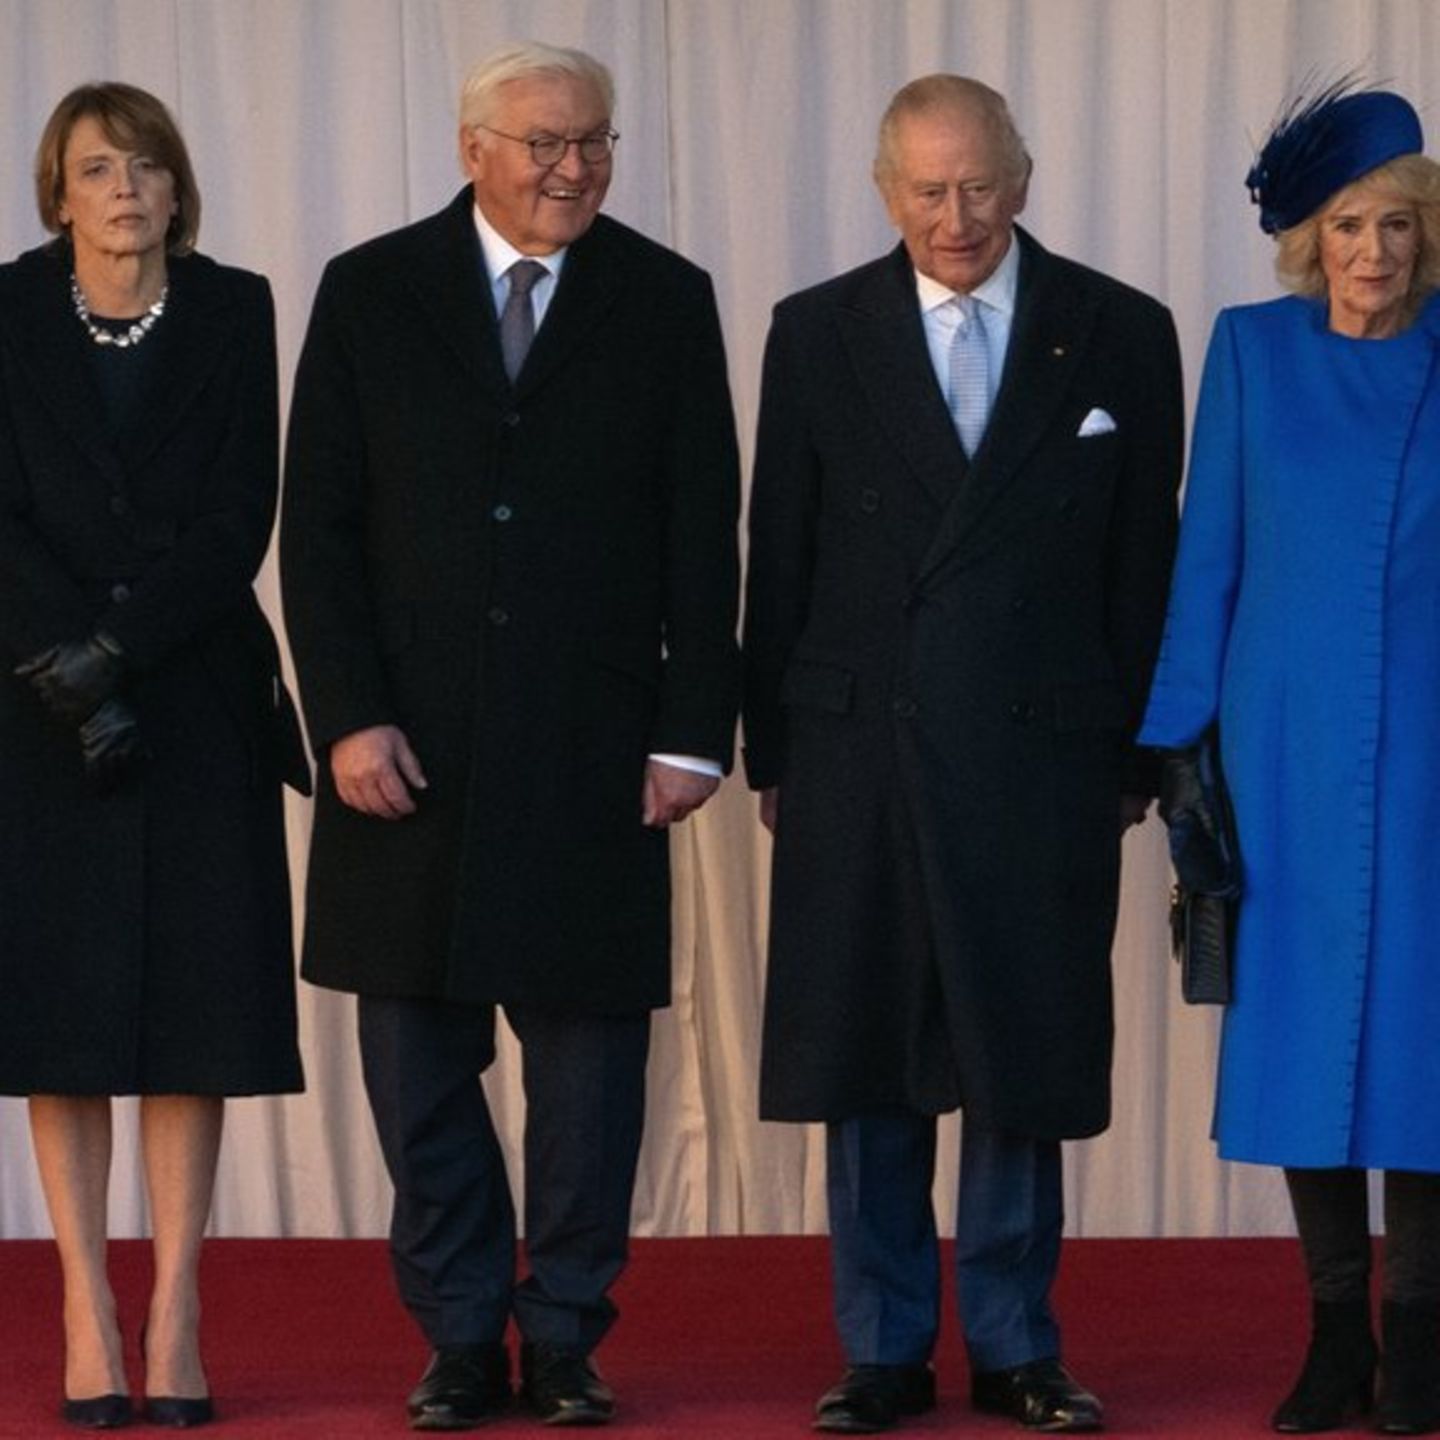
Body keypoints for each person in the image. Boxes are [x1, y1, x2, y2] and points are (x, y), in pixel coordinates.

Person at [281, 39, 740, 1431]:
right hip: (403, 756)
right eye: (545, 144)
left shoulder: (666, 299)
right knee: (417, 1068)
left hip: (594, 753)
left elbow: (698, 535)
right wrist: (347, 715)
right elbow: (320, 532)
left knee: (592, 1081)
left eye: (594, 142)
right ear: (472, 146)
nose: (573, 169)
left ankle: (566, 1334)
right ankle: (462, 1333)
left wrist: (691, 734)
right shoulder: (370, 292)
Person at [742, 74, 1182, 1434]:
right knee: (871, 1055)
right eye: (927, 189)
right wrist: (773, 748)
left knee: (1019, 1051)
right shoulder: (814, 333)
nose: (957, 214)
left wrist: (1140, 752)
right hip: (861, 747)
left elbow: (1142, 565)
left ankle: (1013, 1345)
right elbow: (785, 551)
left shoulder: (1120, 330)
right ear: (887, 192)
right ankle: (880, 1349)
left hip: (1042, 753)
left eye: (980, 183)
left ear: (1025, 178)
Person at [0, 82, 306, 1430]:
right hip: (30, 701)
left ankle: (175, 1307)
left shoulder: (237, 309)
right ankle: (84, 1303)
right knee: (59, 1017)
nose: (124, 190)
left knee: (194, 1014)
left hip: (193, 699)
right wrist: (67, 666)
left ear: (180, 190)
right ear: (55, 193)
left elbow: (243, 510)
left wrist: (120, 655)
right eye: (95, 170)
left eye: (146, 169)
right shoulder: (4, 310)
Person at [1140, 81, 1440, 1436]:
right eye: (1344, 228)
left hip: (1432, 748)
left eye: (1394, 226)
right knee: (1308, 1039)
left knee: (1426, 1046)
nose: (1371, 254)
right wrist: (1173, 747)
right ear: (1306, 242)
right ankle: (1334, 1341)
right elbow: (1211, 556)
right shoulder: (1252, 352)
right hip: (1287, 749)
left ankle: (1424, 1342)